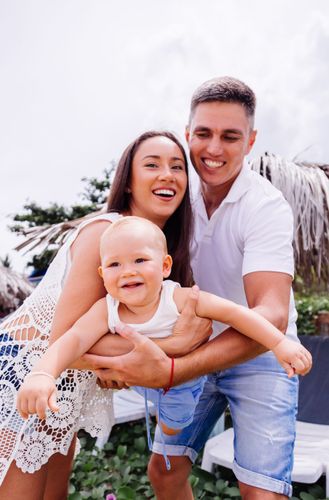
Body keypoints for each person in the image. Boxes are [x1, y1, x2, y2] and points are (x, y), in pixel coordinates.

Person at [84, 77, 308, 500]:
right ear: (188, 134)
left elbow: (272, 315)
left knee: (262, 493)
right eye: (203, 134)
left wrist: (174, 368)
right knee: (164, 474)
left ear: (251, 140)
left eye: (230, 136)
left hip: (259, 351)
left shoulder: (265, 207)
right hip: (190, 344)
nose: (214, 148)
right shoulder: (173, 196)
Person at [0, 131, 210, 500]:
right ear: (128, 180)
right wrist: (176, 344)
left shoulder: (158, 256)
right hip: (28, 372)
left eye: (178, 167)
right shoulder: (105, 230)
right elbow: (63, 339)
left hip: (66, 385)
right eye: (152, 164)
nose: (168, 174)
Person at [16, 216, 311, 467]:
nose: (128, 270)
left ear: (165, 266)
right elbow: (72, 340)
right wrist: (43, 374)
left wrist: (280, 344)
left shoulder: (179, 298)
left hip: (180, 383)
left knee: (173, 425)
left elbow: (237, 314)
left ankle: (169, 419)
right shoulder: (105, 308)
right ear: (102, 274)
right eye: (115, 264)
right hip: (138, 380)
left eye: (140, 260)